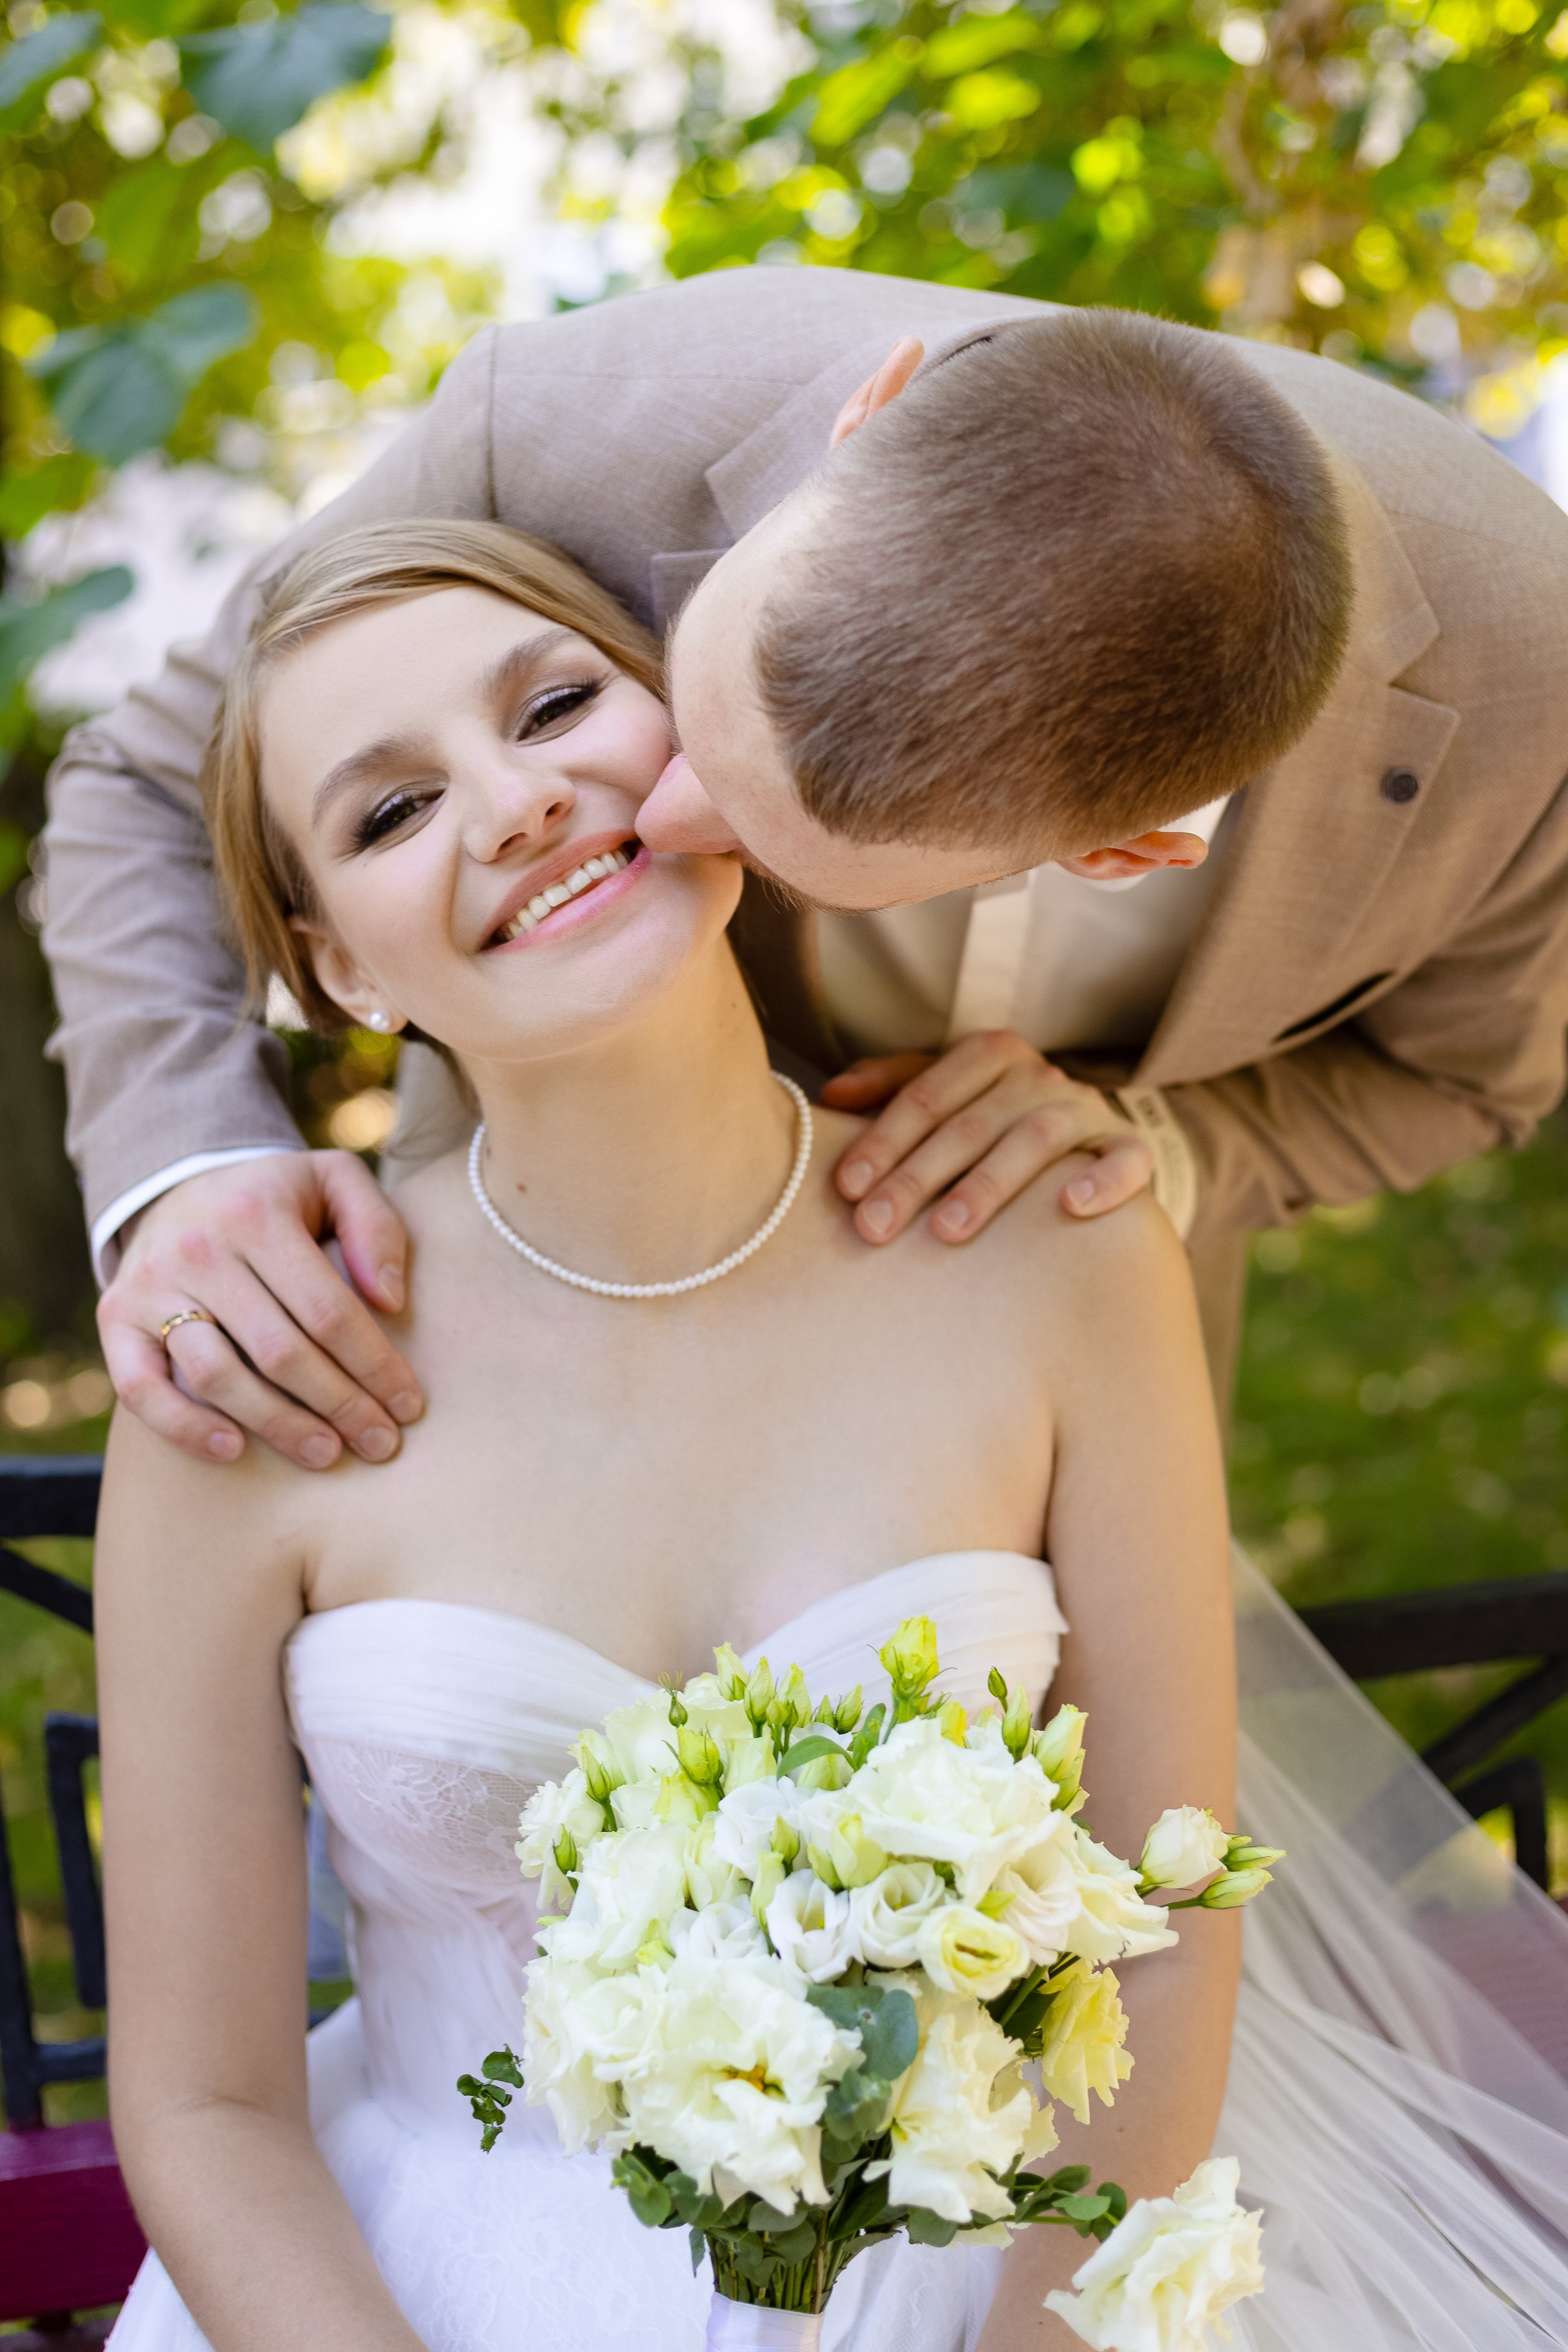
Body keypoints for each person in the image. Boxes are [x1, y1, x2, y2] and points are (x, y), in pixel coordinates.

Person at [96, 519, 1568, 2352]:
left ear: (703, 745)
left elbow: (1171, 1921)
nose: (519, 802)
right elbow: (207, 2107)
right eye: (390, 814)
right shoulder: (253, 1377)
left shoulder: (1052, 1253)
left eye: (558, 706)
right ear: (333, 966)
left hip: (999, 2276)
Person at [44, 273, 1568, 1478]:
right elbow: (143, 775)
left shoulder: (1534, 709)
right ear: (866, 413)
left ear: (1123, 854)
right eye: (682, 704)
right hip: (510, 1339)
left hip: (1058, 1407)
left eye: (770, 847)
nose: (655, 815)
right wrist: (192, 1163)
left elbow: (1460, 1084)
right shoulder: (569, 425)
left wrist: (1158, 1148)